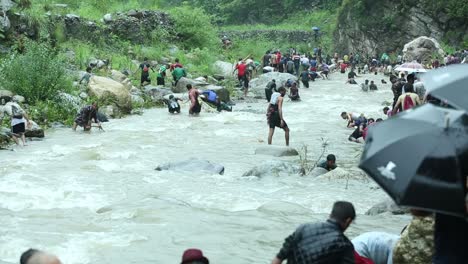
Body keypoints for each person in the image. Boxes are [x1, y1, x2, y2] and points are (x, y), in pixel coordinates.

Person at [271, 201, 356, 264]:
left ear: (330, 215)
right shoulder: (345, 245)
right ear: (348, 221)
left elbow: (278, 259)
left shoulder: (303, 228)